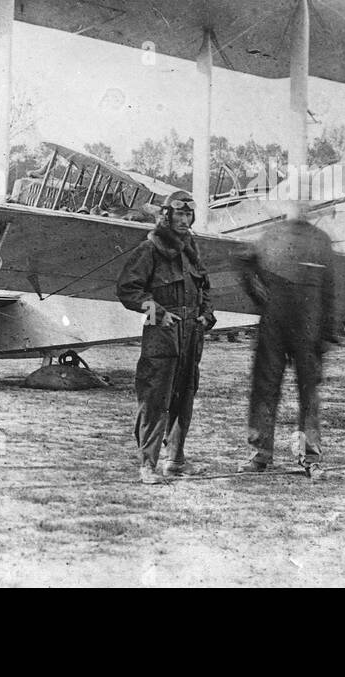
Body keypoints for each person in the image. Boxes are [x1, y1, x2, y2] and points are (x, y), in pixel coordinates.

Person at [115, 191, 215, 485]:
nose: (184, 220)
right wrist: (157, 312)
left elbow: (205, 288)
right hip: (163, 334)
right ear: (167, 216)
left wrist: (205, 316)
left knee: (185, 396)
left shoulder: (190, 249)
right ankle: (148, 464)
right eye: (179, 215)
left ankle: (175, 461)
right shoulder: (150, 249)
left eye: (188, 215)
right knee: (155, 398)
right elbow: (127, 289)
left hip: (191, 335)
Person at [237, 201, 339, 479]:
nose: (301, 209)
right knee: (265, 388)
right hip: (275, 324)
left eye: (305, 203)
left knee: (309, 393)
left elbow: (330, 289)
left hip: (309, 327)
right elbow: (248, 270)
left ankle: (310, 456)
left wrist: (328, 332)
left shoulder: (321, 241)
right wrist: (263, 303)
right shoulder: (270, 237)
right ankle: (260, 454)